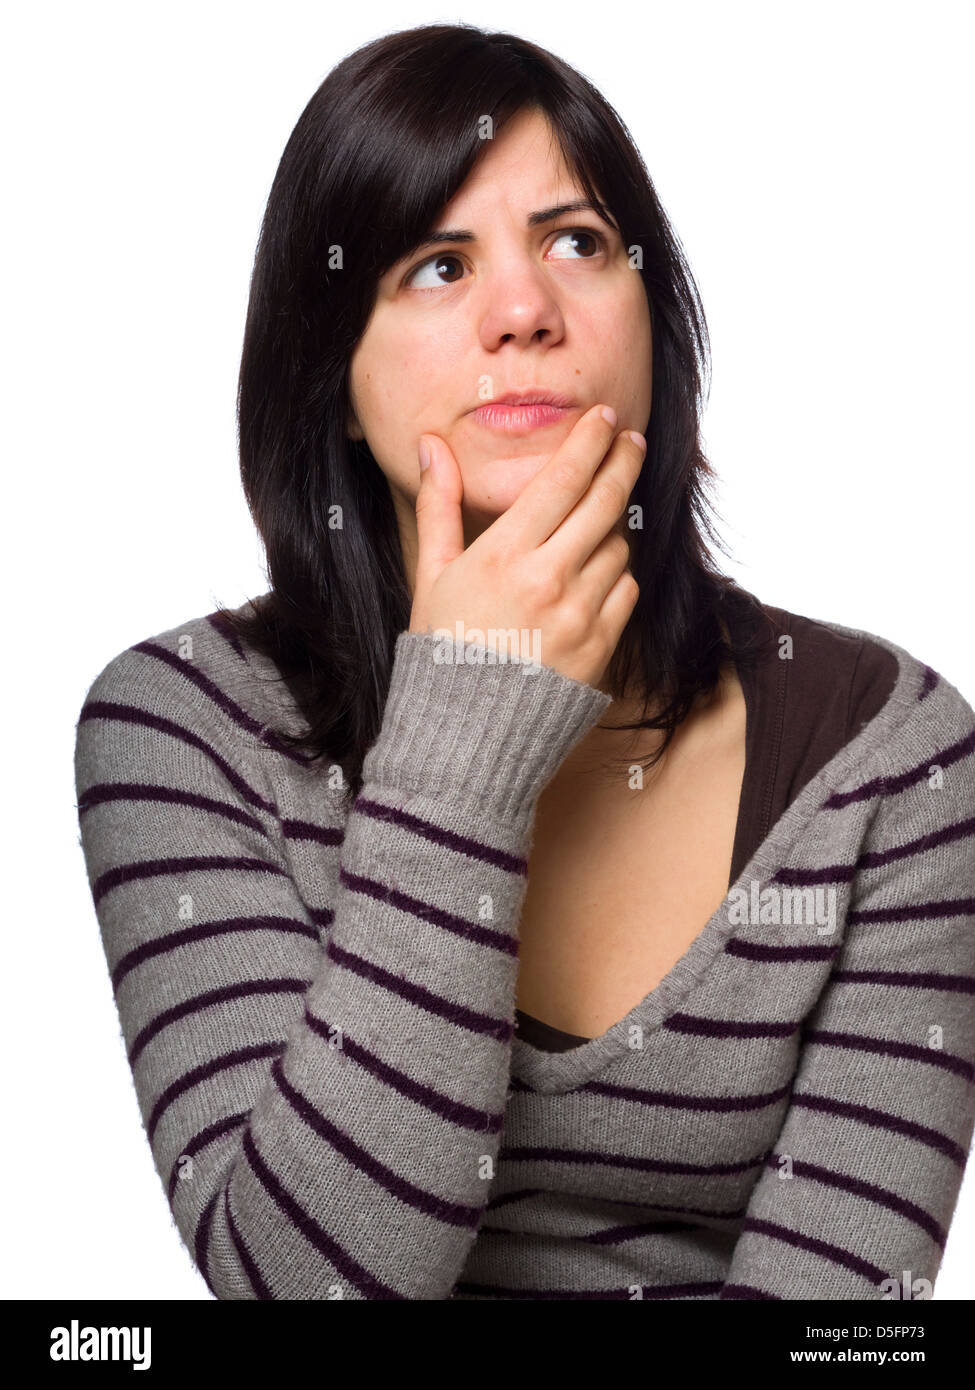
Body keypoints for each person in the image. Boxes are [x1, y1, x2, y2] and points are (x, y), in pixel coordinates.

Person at [74, 23, 975, 1300]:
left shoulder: (891, 759)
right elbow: (305, 1288)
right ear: (332, 371)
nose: (523, 311)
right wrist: (466, 746)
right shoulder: (181, 728)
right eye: (438, 265)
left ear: (652, 321)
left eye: (577, 242)